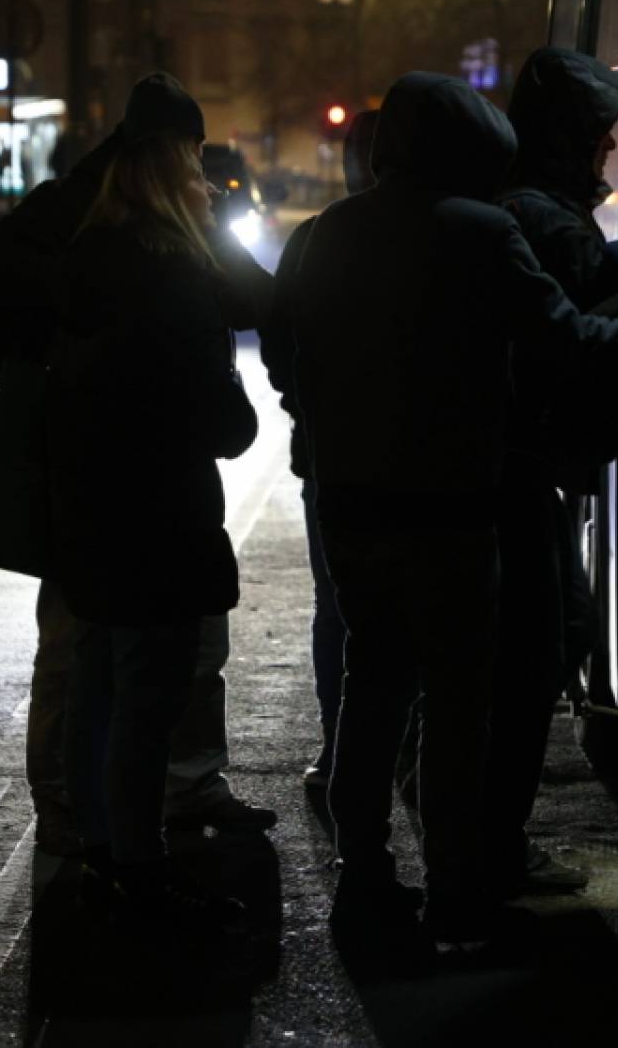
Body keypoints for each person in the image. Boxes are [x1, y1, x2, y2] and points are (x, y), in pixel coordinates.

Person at [280, 72, 618, 951]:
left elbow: (288, 364)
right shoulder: (483, 231)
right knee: (458, 702)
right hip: (451, 504)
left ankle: (363, 876)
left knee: (372, 692)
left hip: (350, 503)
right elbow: (564, 340)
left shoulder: (326, 233)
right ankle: (456, 887)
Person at [0, 73, 276, 855]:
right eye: (194, 156)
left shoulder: (146, 225)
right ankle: (84, 800)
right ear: (169, 154)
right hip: (112, 480)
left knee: (114, 646)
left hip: (99, 477)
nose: (202, 172)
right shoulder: (89, 221)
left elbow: (252, 297)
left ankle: (130, 802)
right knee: (89, 642)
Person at [47, 130, 255, 927]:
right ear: (173, 187)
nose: (211, 190)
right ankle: (141, 863)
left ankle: (102, 845)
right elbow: (226, 424)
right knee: (149, 697)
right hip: (162, 516)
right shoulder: (179, 278)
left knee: (97, 680)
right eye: (199, 177)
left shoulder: (80, 266)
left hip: (89, 507)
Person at [483, 47, 618, 898]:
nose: (608, 154)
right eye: (596, 137)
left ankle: (468, 825)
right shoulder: (542, 219)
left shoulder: (522, 206)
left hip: (510, 464)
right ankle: (483, 841)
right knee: (537, 647)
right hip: (513, 467)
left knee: (534, 645)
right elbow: (569, 345)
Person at [258, 108, 380, 792]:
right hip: (422, 463)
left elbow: (280, 347)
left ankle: (340, 752)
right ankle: (399, 754)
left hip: (330, 458)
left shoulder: (312, 239)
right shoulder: (437, 233)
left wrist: (307, 405)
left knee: (337, 605)